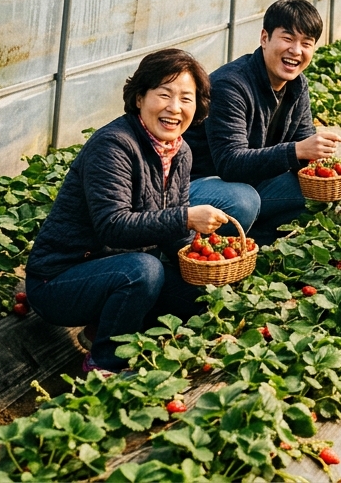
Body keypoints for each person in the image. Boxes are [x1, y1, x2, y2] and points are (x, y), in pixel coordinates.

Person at [25, 50, 231, 375]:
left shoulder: (180, 151)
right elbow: (113, 226)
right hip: (59, 281)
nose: (174, 108)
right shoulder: (114, 146)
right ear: (139, 98)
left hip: (112, 270)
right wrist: (187, 217)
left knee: (197, 294)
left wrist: (207, 259)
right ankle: (103, 363)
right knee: (144, 271)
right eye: (164, 94)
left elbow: (173, 235)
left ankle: (105, 330)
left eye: (186, 98)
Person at [185, 0, 341, 246]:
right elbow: (229, 163)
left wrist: (321, 165)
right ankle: (196, 252)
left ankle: (258, 243)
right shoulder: (230, 86)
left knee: (316, 190)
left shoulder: (297, 85)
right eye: (288, 38)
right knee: (244, 201)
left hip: (248, 181)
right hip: (200, 184)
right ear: (264, 38)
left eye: (306, 43)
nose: (296, 50)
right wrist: (298, 150)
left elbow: (303, 140)